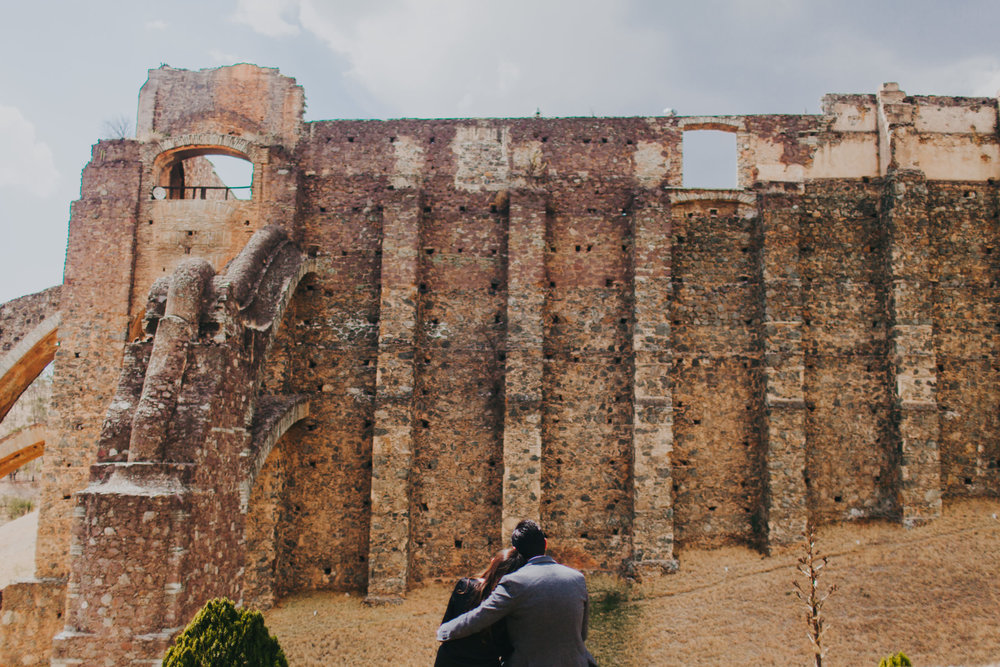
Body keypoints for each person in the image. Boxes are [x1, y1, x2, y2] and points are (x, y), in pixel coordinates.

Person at [436, 519, 596, 667]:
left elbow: (480, 617)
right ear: (545, 544)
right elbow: (582, 634)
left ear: (515, 550)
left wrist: (446, 631)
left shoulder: (514, 582)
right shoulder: (577, 578)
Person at [435, 547, 526, 666]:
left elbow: (446, 625)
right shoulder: (509, 602)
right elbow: (507, 647)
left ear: (494, 562)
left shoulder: (465, 586)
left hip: (450, 660)